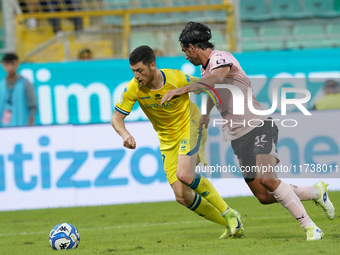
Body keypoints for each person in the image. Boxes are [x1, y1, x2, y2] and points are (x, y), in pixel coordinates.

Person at [161, 22, 335, 241]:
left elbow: (216, 80)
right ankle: (316, 192)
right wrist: (205, 114)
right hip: (238, 137)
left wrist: (182, 89)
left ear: (193, 47)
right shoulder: (204, 69)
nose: (185, 56)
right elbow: (213, 90)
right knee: (264, 195)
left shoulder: (221, 58)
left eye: (185, 51)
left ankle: (310, 227)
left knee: (268, 179)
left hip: (260, 126)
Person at [111, 45, 244, 239]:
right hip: (167, 140)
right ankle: (232, 223)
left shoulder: (176, 78)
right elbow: (116, 118)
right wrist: (125, 135)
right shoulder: (134, 88)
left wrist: (207, 114)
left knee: (185, 174)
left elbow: (207, 87)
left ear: (153, 65)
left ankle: (229, 213)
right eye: (133, 71)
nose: (136, 75)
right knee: (181, 196)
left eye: (139, 70)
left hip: (191, 126)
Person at [0, 53, 37, 127]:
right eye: (7, 64)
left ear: (17, 64)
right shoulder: (1, 85)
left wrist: (30, 125)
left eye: (12, 63)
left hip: (22, 125)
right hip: (4, 128)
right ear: (3, 65)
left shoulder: (25, 83)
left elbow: (33, 106)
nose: (10, 67)